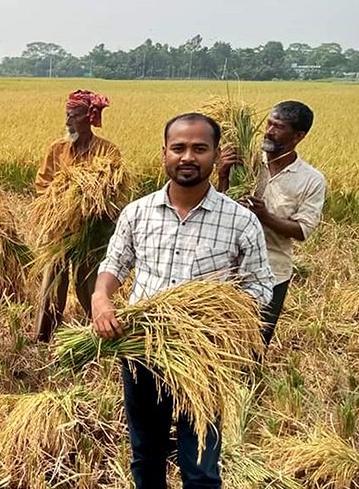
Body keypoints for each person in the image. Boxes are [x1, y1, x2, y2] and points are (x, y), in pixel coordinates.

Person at [92, 113, 273, 489]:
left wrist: (220, 322)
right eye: (179, 148)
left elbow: (260, 287)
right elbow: (115, 264)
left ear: (214, 154)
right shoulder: (137, 212)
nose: (187, 156)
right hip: (142, 349)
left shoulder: (240, 221)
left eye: (199, 148)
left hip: (205, 357)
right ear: (164, 154)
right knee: (146, 452)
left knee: (200, 465)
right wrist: (100, 298)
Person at [218, 100, 326, 346]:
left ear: (298, 136)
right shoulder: (244, 160)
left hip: (272, 272)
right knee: (219, 340)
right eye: (268, 123)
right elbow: (219, 208)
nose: (268, 131)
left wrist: (264, 216)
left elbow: (302, 230)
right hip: (228, 267)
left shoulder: (311, 180)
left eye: (278, 127)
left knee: (255, 343)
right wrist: (222, 174)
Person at [33, 89, 120, 342]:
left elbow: (112, 190)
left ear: (88, 118)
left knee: (89, 281)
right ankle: (43, 336)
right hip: (59, 230)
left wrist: (87, 200)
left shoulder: (107, 152)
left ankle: (96, 331)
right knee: (52, 282)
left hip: (91, 230)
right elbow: (42, 183)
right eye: (67, 115)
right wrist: (61, 197)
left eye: (73, 116)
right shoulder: (57, 149)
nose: (67, 122)